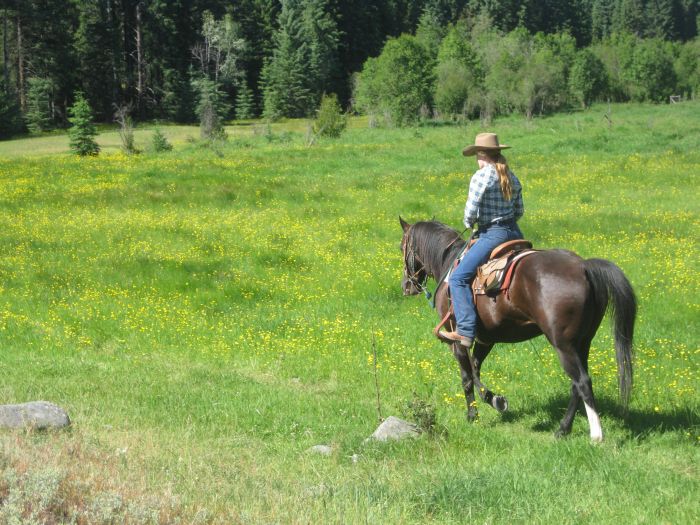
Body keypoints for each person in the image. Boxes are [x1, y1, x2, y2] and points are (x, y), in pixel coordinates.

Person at [442, 133, 525, 348]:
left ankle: (466, 331)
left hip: (492, 235)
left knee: (458, 278)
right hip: (515, 233)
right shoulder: (511, 176)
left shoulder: (481, 176)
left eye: (477, 155)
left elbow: (470, 210)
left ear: (481, 154)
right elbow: (519, 211)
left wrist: (469, 223)